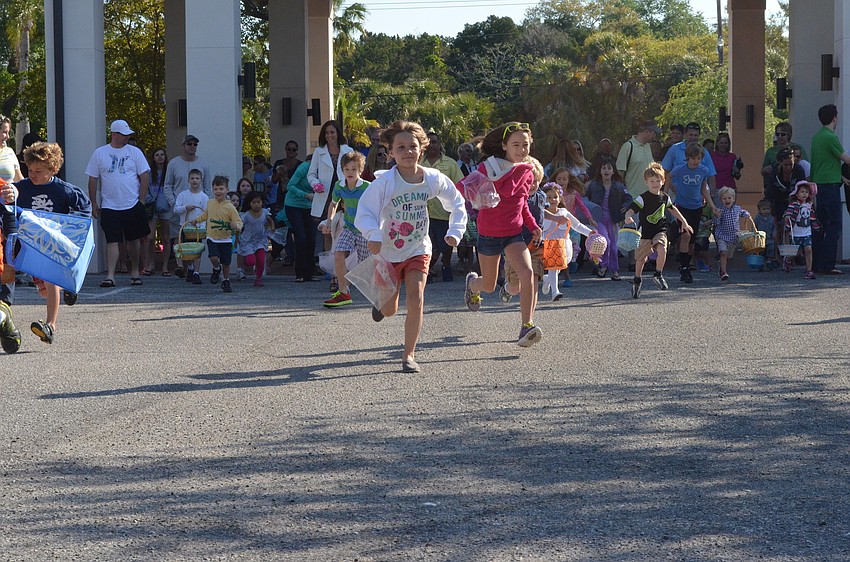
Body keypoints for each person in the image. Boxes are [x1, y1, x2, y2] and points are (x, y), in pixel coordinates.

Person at [354, 120, 466, 373]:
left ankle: (409, 355)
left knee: (416, 298)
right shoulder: (384, 183)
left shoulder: (432, 179)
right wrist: (373, 234)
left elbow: (457, 202)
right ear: (391, 152)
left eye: (412, 146)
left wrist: (455, 231)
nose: (407, 152)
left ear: (422, 149)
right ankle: (381, 303)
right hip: (388, 251)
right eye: (401, 147)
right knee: (390, 309)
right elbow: (365, 212)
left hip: (418, 248)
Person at [463, 122, 544, 347]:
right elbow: (465, 188)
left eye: (525, 145)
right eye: (516, 144)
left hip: (514, 234)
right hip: (488, 233)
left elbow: (522, 204)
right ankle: (472, 285)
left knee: (527, 273)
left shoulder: (528, 171)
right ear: (504, 146)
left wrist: (533, 225)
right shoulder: (489, 168)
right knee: (489, 285)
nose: (521, 149)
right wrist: (480, 197)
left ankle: (526, 326)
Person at [10, 142, 91, 344]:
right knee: (44, 291)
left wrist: (71, 227)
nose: (33, 174)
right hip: (32, 244)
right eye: (30, 170)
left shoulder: (64, 190)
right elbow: (9, 205)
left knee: (50, 280)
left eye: (39, 171)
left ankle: (50, 326)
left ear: (53, 169)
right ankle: (67, 287)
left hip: (54, 243)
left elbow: (84, 209)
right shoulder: (21, 188)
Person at [85, 119, 151, 288]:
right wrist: (94, 202)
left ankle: (135, 271)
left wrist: (141, 200)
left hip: (132, 204)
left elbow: (144, 176)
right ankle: (110, 275)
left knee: (133, 240)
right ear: (114, 134)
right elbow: (93, 179)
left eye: (128, 135)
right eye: (124, 134)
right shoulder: (100, 153)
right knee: (112, 240)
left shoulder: (135, 152)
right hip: (109, 205)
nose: (127, 138)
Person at [624, 162, 693, 299]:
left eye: (658, 180)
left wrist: (684, 222)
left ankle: (658, 274)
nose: (655, 183)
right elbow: (630, 210)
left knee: (662, 249)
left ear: (663, 181)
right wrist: (627, 217)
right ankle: (637, 280)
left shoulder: (664, 197)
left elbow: (673, 209)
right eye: (652, 181)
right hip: (645, 233)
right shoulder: (642, 198)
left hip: (659, 230)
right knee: (641, 259)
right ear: (646, 182)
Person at [320, 151, 370, 307]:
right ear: (342, 170)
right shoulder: (339, 186)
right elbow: (334, 204)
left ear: (360, 170)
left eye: (354, 169)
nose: (350, 172)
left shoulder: (367, 187)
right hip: (348, 227)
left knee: (367, 263)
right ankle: (343, 292)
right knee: (338, 255)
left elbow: (376, 206)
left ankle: (381, 291)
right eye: (347, 169)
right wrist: (329, 222)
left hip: (364, 229)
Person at [669, 142, 718, 284]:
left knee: (691, 240)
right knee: (685, 235)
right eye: (693, 158)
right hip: (681, 206)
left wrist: (712, 205)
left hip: (696, 207)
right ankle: (684, 268)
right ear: (687, 158)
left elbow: (704, 189)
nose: (696, 161)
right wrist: (665, 195)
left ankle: (687, 265)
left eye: (698, 158)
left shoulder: (703, 170)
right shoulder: (680, 169)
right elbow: (668, 176)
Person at [809, 104, 850, 274]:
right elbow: (846, 159)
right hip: (830, 186)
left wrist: (841, 177)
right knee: (834, 225)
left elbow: (823, 162)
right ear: (834, 117)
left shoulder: (817, 137)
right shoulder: (830, 137)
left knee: (820, 225)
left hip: (819, 184)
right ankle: (828, 264)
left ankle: (817, 263)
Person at [307, 120, 354, 262]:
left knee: (344, 229)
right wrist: (315, 184)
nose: (329, 135)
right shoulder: (319, 151)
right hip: (326, 197)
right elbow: (311, 174)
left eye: (332, 132)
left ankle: (345, 262)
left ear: (338, 133)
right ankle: (329, 266)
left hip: (344, 196)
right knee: (327, 231)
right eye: (327, 133)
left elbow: (355, 171)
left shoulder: (348, 150)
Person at [540, 182, 593, 300]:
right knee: (554, 267)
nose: (552, 199)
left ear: (560, 198)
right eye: (549, 197)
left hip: (564, 246)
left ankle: (548, 279)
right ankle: (555, 291)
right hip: (549, 245)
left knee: (557, 268)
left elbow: (577, 225)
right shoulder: (541, 214)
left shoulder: (564, 212)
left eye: (555, 197)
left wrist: (590, 233)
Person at [189, 175, 243, 293]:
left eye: (221, 189)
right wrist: (196, 220)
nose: (218, 191)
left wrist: (236, 226)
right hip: (212, 237)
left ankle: (226, 280)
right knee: (213, 257)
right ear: (213, 190)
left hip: (226, 239)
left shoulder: (230, 207)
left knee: (226, 262)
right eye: (216, 189)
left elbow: (238, 221)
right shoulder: (210, 203)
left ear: (226, 190)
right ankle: (216, 268)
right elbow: (206, 215)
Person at [422, 131, 464, 282]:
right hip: (423, 213)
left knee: (445, 244)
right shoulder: (419, 163)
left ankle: (446, 267)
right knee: (429, 244)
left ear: (440, 145)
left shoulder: (450, 163)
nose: (432, 145)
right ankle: (427, 270)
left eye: (435, 142)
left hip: (444, 212)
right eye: (429, 142)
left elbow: (460, 184)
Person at [164, 135, 212, 257]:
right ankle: (180, 267)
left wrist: (207, 208)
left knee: (196, 241)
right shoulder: (173, 163)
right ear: (183, 146)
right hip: (179, 209)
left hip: (198, 211)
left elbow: (207, 187)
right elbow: (168, 186)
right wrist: (174, 203)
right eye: (189, 144)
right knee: (178, 238)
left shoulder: (203, 164)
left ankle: (192, 270)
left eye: (194, 144)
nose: (192, 146)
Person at [586, 158, 631, 280]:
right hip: (598, 219)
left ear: (613, 172)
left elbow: (629, 198)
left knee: (614, 246)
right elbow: (586, 198)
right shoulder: (593, 185)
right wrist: (589, 213)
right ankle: (603, 266)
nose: (606, 171)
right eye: (604, 168)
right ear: (600, 171)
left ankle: (615, 271)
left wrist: (626, 206)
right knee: (606, 241)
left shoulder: (619, 186)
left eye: (609, 168)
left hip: (612, 219)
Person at [285, 155, 317, 283]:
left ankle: (310, 273)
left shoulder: (323, 172)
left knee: (312, 239)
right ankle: (300, 273)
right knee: (301, 238)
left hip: (309, 207)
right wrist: (305, 195)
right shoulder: (304, 167)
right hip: (294, 205)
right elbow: (290, 186)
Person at [173, 168, 208, 284]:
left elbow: (206, 213)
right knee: (187, 249)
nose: (195, 181)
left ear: (201, 180)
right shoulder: (183, 195)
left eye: (197, 178)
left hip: (198, 228)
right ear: (188, 180)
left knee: (197, 250)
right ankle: (190, 268)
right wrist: (185, 208)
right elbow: (175, 209)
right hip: (185, 226)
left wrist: (202, 225)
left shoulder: (204, 197)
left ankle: (196, 273)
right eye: (192, 178)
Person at [661, 122, 717, 194]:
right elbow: (665, 170)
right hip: (676, 192)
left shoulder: (704, 152)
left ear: (699, 135)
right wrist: (672, 186)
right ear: (685, 134)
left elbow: (711, 175)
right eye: (691, 135)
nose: (693, 137)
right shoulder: (674, 149)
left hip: (697, 193)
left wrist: (711, 194)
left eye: (695, 135)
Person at [712, 187, 753, 282]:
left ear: (733, 199)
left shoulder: (737, 208)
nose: (727, 200)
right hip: (722, 236)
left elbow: (743, 212)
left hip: (733, 237)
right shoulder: (720, 211)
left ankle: (721, 266)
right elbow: (715, 223)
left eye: (729, 198)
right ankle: (724, 272)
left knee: (729, 256)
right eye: (724, 198)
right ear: (721, 200)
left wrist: (747, 214)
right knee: (723, 253)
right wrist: (717, 216)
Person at [783, 181, 821, 278]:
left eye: (806, 192)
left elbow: (812, 217)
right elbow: (787, 213)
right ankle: (787, 260)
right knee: (794, 252)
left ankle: (809, 270)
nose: (804, 194)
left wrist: (816, 227)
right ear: (797, 193)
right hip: (796, 232)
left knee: (808, 249)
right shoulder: (793, 204)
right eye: (802, 192)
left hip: (807, 232)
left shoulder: (809, 205)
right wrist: (787, 217)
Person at [144, 147, 172, 275]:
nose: (160, 157)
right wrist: (149, 199)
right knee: (150, 237)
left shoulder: (169, 172)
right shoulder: (149, 173)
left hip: (166, 208)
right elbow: (145, 188)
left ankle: (165, 266)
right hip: (153, 207)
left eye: (162, 154)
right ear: (153, 158)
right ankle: (150, 263)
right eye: (157, 155)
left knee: (166, 237)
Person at [238, 191, 274, 287]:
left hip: (261, 240)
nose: (256, 205)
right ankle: (246, 260)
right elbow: (241, 223)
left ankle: (258, 278)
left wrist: (272, 227)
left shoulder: (265, 212)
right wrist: (238, 228)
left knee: (261, 260)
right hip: (248, 241)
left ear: (262, 202)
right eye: (254, 203)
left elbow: (270, 220)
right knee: (251, 261)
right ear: (249, 203)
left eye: (258, 202)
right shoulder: (246, 215)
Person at [755, 199, 778, 269]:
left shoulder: (771, 219)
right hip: (760, 238)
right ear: (759, 210)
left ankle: (769, 261)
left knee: (770, 249)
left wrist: (774, 234)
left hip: (769, 238)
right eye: (764, 209)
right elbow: (754, 226)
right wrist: (754, 234)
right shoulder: (757, 218)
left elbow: (774, 227)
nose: (766, 211)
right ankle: (761, 263)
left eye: (767, 209)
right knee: (761, 251)